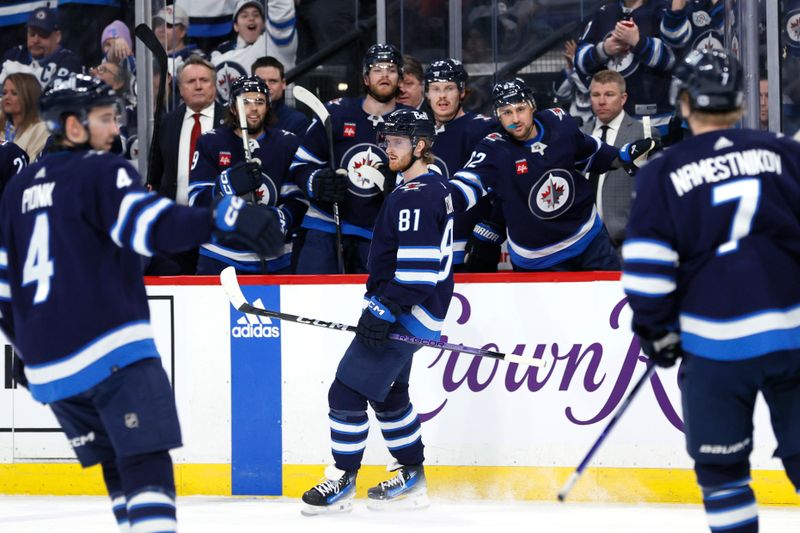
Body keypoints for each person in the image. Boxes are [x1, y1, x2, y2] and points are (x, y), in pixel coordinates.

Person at [0, 74, 284, 533]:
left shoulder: (16, 191)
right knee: (147, 460)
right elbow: (150, 224)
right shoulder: (100, 171)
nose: (115, 129)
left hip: (51, 369)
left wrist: (27, 350)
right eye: (105, 118)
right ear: (73, 126)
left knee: (118, 461)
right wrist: (224, 216)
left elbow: (5, 289)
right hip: (109, 348)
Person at [621, 48, 800, 533]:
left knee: (723, 474)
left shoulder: (664, 171)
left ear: (683, 105)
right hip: (793, 337)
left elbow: (645, 269)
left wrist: (657, 334)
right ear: (740, 105)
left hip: (715, 346)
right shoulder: (786, 153)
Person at [301, 108, 454, 515]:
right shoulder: (425, 187)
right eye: (387, 141)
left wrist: (384, 310)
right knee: (388, 395)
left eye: (398, 143)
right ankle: (411, 475)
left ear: (420, 146)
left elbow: (419, 273)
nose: (388, 149)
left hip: (407, 310)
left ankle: (342, 479)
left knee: (346, 391)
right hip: (414, 311)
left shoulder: (418, 195)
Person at [449, 78, 657, 272]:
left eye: (520, 109)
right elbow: (465, 184)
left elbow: (592, 152)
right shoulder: (494, 149)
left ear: (532, 106)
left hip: (589, 240)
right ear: (498, 116)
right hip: (538, 260)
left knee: (611, 304)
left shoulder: (558, 123)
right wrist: (432, 200)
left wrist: (620, 157)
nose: (515, 119)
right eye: (506, 112)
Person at [291, 43, 406, 274]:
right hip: (326, 227)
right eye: (377, 68)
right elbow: (300, 164)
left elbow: (424, 176)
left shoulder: (410, 122)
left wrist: (400, 183)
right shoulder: (336, 113)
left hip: (378, 232)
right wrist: (318, 181)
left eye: (391, 69)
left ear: (400, 79)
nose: (384, 74)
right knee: (311, 301)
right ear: (365, 78)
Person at [189, 75, 306, 274]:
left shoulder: (286, 143)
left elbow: (297, 199)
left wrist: (281, 217)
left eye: (259, 101)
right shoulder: (211, 142)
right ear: (233, 108)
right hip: (220, 255)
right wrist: (226, 185)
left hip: (275, 258)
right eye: (245, 101)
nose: (253, 108)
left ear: (268, 106)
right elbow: (196, 200)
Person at [422, 58, 496, 271]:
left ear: (462, 92)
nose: (442, 96)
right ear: (427, 93)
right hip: (429, 252)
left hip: (471, 249)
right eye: (435, 89)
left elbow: (501, 187)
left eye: (449, 88)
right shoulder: (418, 134)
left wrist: (487, 234)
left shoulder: (482, 129)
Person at [582, 69, 661, 253]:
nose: (602, 101)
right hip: (583, 243)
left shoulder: (643, 135)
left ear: (623, 98)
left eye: (609, 94)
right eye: (596, 94)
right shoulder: (580, 134)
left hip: (626, 240)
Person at [576, 0, 676, 136]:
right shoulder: (604, 12)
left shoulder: (661, 10)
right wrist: (603, 50)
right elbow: (580, 61)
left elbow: (672, 59)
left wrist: (638, 42)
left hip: (655, 121)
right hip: (608, 122)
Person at [212, 0, 298, 104]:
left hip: (279, 117)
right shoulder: (220, 54)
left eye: (256, 15)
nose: (251, 18)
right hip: (234, 118)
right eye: (244, 15)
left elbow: (281, 13)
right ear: (235, 26)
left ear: (263, 24)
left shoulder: (277, 45)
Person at [0, 7, 82, 88]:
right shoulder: (14, 55)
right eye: (32, 34)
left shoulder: (69, 62)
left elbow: (58, 97)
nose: (36, 40)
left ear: (57, 37)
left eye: (43, 34)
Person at [252, 55, 309, 137]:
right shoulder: (240, 119)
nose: (267, 86)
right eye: (261, 81)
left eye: (273, 81)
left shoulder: (297, 121)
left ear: (283, 84)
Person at [0, 72, 49, 161]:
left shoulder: (41, 129)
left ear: (29, 96)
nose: (7, 97)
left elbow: (32, 165)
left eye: (14, 93)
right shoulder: (2, 123)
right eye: (4, 93)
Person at [659, 0, 724, 58]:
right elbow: (674, 37)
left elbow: (729, 29)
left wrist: (720, 4)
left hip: (724, 65)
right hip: (688, 66)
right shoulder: (664, 5)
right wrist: (677, 5)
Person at [153, 4, 201, 70]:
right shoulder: (146, 59)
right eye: (158, 24)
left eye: (169, 25)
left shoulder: (196, 60)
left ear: (183, 31)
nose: (161, 30)